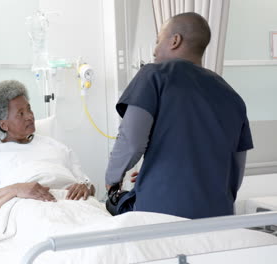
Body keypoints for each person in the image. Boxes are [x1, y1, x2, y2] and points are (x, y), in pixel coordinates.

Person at [105, 12, 252, 219]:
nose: (154, 51)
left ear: (175, 40)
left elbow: (131, 142)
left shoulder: (153, 75)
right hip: (219, 215)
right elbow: (236, 169)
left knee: (115, 204)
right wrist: (154, 173)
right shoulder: (232, 95)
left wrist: (112, 179)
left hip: (161, 213)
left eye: (157, 41)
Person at [0, 80, 95, 215]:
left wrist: (85, 187)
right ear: (4, 125)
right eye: (20, 113)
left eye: (29, 109)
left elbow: (89, 185)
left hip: (75, 203)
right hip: (29, 206)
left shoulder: (56, 146)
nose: (29, 116)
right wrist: (17, 189)